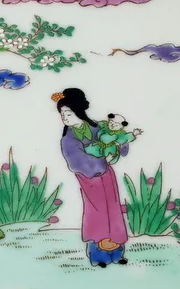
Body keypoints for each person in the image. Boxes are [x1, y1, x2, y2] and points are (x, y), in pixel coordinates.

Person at [52, 89, 130, 268]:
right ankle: (99, 255)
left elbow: (117, 141)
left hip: (106, 175)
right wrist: (99, 159)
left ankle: (117, 253)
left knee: (113, 210)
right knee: (97, 213)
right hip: (89, 179)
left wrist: (120, 144)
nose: (64, 117)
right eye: (62, 114)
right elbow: (75, 162)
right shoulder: (68, 139)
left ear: (78, 111)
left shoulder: (99, 127)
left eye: (68, 113)